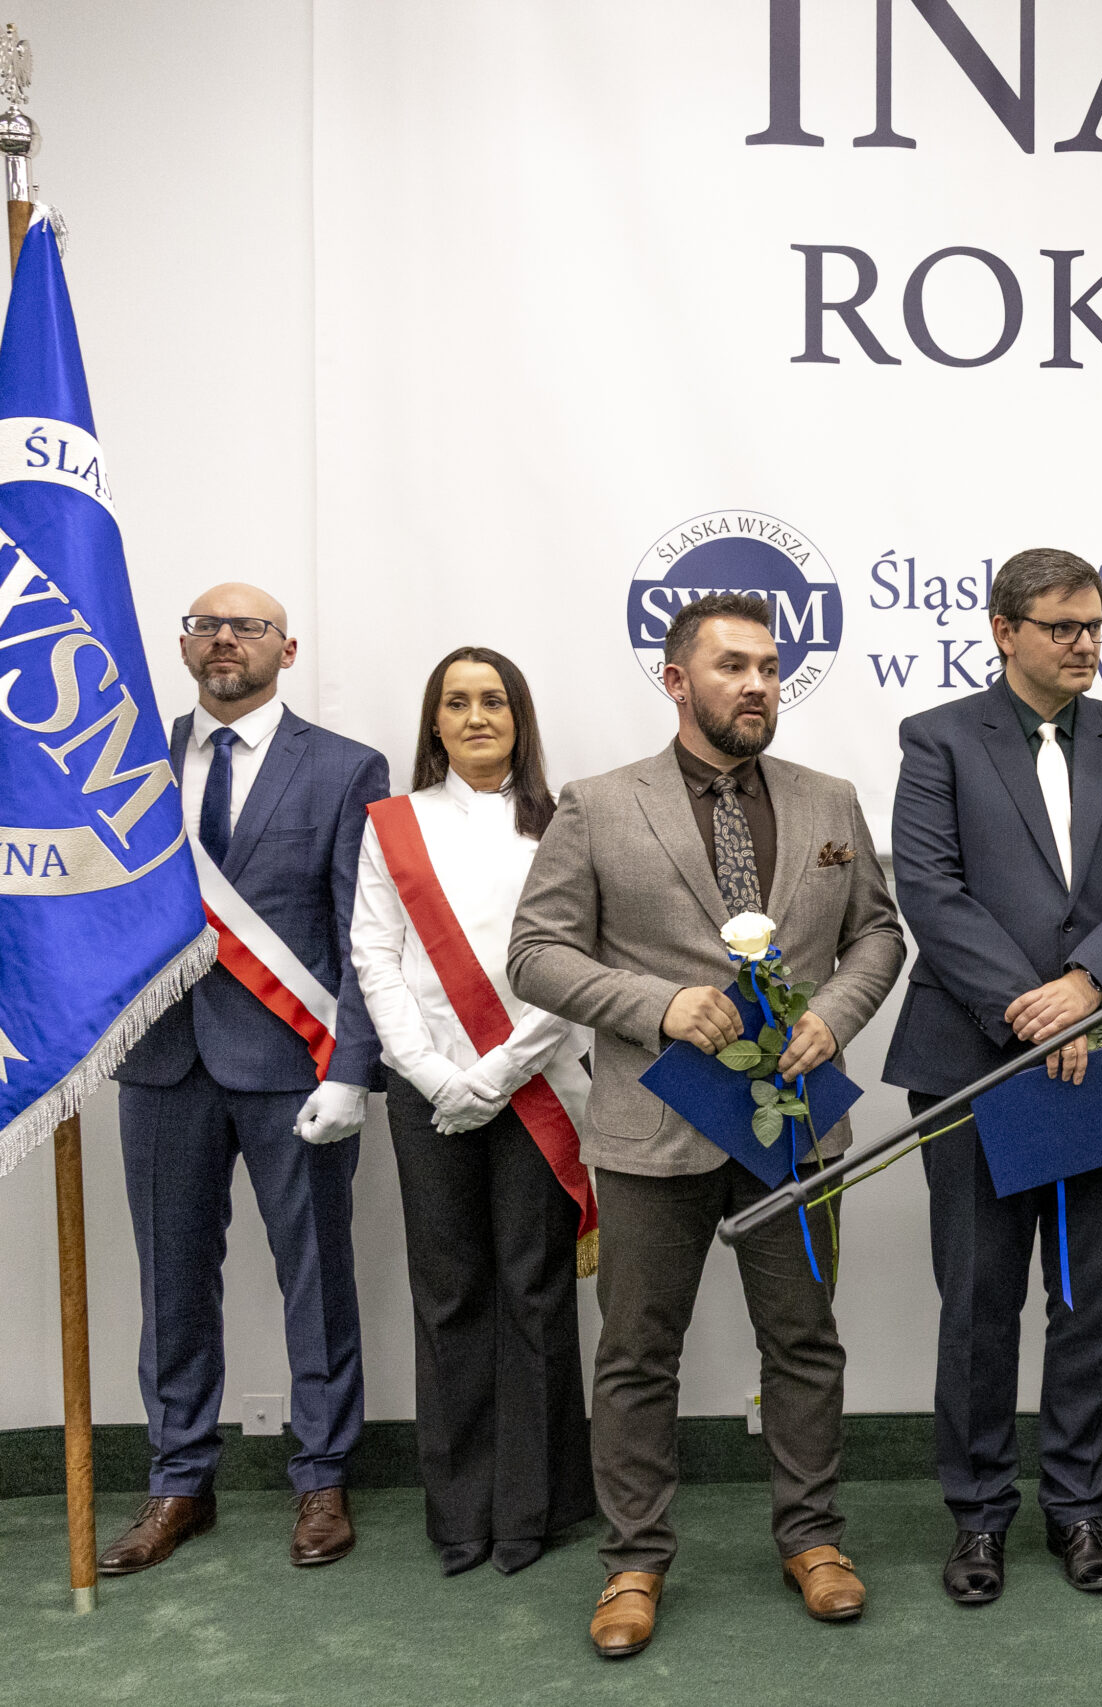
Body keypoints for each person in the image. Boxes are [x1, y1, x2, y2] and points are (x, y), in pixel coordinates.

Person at [508, 593, 905, 1656]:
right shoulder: (599, 804)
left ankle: (814, 1539)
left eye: (769, 667)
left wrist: (834, 1014)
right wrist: (661, 1005)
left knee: (804, 1342)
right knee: (638, 1352)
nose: (758, 684)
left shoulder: (829, 799)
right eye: (733, 666)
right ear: (677, 680)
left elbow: (878, 934)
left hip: (792, 1125)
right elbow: (536, 954)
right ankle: (633, 1562)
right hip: (654, 1125)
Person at [885, 548, 1102, 1606]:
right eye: (1063, 626)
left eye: (1096, 626)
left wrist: (1088, 987)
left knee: (1089, 1298)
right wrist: (1032, 1005)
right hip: (975, 1061)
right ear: (1004, 630)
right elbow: (931, 890)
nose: (1085, 644)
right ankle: (978, 1517)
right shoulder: (938, 739)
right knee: (978, 1301)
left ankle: (1078, 1507)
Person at [102, 584, 387, 1575]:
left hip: (292, 1069)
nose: (225, 639)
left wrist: (353, 1068)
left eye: (248, 626)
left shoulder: (345, 768)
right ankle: (179, 1479)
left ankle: (322, 1477)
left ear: (286, 649)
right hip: (161, 1064)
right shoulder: (126, 767)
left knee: (317, 1279)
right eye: (206, 626)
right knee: (171, 1282)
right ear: (185, 648)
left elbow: (360, 934)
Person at [350, 647, 594, 1577]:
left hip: (536, 1082)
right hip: (429, 1092)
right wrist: (431, 1073)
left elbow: (580, 960)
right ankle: (460, 1509)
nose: (476, 716)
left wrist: (497, 1072)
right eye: (457, 702)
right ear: (435, 722)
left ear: (519, 718)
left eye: (494, 700)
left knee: (535, 1289)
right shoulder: (392, 823)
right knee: (448, 1291)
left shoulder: (564, 821)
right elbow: (375, 955)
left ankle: (532, 1506)